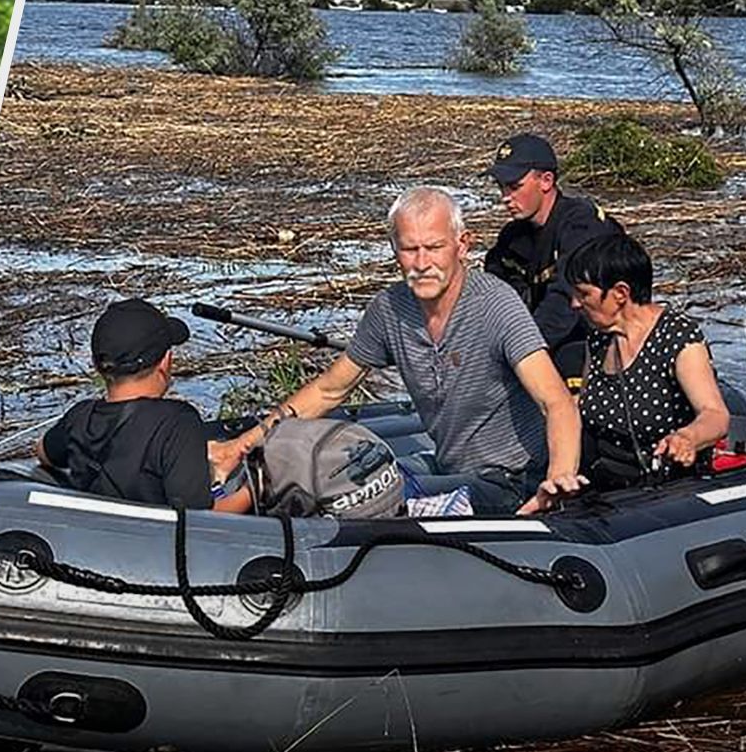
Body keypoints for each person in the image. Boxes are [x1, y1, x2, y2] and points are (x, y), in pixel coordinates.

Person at [239, 186, 584, 515]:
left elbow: (555, 401)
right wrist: (243, 445)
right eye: (410, 249)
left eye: (434, 248)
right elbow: (330, 389)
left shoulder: (496, 305)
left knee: (365, 498)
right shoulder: (390, 308)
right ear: (394, 249)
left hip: (509, 478)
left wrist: (558, 477)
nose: (422, 263)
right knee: (328, 476)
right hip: (449, 464)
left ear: (462, 245)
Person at [35, 298, 253, 513]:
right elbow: (199, 521)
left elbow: (44, 453)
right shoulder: (178, 422)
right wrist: (252, 492)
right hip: (160, 542)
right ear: (166, 362)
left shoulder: (80, 416)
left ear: (97, 366)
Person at [564, 235, 730, 487]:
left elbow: (715, 415)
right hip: (605, 480)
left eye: (583, 294)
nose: (574, 303)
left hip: (665, 485)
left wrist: (688, 437)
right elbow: (583, 405)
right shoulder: (599, 337)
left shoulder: (677, 336)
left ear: (620, 293)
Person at [482, 133, 626, 378]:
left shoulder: (583, 225)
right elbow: (495, 292)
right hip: (546, 338)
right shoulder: (512, 237)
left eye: (515, 187)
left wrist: (521, 353)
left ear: (546, 181)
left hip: (599, 338)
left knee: (568, 360)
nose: (506, 197)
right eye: (502, 187)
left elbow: (564, 302)